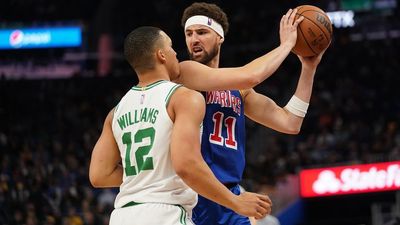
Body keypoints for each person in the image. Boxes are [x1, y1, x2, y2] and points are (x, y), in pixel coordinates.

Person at [88, 26, 272, 225]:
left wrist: (151, 172)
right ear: (161, 55)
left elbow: (99, 175)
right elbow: (186, 165)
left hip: (123, 215)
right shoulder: (183, 97)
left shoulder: (115, 112)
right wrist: (235, 202)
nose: (176, 53)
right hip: (166, 214)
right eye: (171, 47)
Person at [180, 2, 328, 225]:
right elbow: (251, 75)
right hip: (196, 195)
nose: (194, 40)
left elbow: (290, 122)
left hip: (232, 199)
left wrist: (308, 69)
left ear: (220, 37)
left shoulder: (239, 91)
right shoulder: (185, 73)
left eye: (202, 32)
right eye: (189, 34)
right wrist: (287, 45)